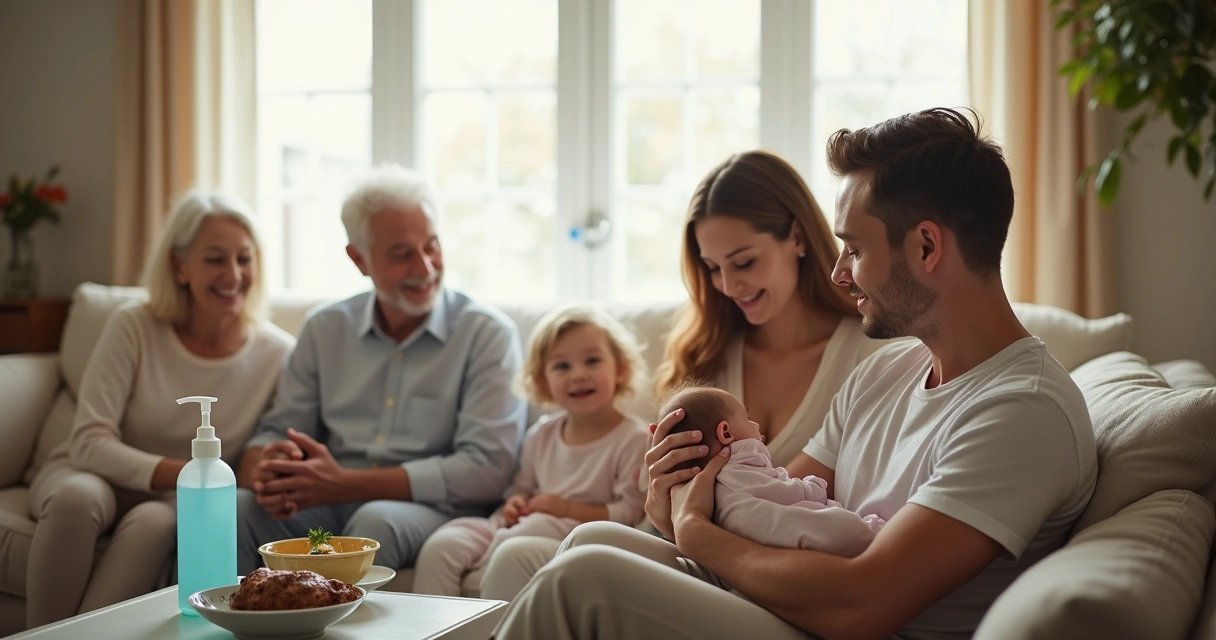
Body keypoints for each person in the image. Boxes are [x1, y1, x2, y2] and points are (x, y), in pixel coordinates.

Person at [491, 107, 1098, 640]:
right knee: (590, 543)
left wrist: (696, 535)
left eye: (855, 249)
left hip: (856, 627)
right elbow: (766, 501)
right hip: (795, 609)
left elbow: (864, 604)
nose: (839, 273)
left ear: (927, 248)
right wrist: (671, 501)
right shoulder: (886, 372)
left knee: (585, 578)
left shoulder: (1021, 410)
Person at [480, 150, 891, 601]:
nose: (728, 286)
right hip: (691, 554)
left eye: (744, 262)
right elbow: (661, 521)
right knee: (520, 555)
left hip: (781, 571)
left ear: (796, 237)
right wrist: (659, 503)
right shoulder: (707, 358)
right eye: (712, 268)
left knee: (578, 561)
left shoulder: (869, 354)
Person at [235, 165, 527, 576]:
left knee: (375, 523)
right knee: (237, 508)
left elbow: (487, 470)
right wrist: (269, 465)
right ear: (359, 259)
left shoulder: (487, 334)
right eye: (402, 253)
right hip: (326, 511)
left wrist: (344, 483)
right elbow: (279, 429)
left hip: (427, 511)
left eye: (432, 246)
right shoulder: (325, 328)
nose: (425, 268)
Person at [25, 191, 294, 627]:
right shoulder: (133, 325)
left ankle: (89, 636)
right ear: (179, 266)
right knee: (77, 498)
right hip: (90, 472)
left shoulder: (279, 353)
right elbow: (89, 443)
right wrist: (192, 472)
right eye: (214, 259)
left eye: (245, 258)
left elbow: (275, 439)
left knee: (154, 523)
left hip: (176, 499)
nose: (233, 274)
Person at [412, 305, 649, 596]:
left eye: (592, 361)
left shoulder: (633, 439)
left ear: (620, 369)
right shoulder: (542, 433)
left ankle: (489, 602)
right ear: (542, 381)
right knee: (442, 544)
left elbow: (631, 514)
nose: (578, 375)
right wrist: (515, 503)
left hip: (575, 536)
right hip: (518, 525)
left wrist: (566, 509)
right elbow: (521, 488)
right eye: (562, 366)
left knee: (525, 536)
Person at [661, 385, 884, 557]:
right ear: (726, 433)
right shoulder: (737, 468)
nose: (756, 425)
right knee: (839, 527)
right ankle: (869, 531)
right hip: (779, 534)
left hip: (752, 549)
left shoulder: (709, 484)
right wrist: (811, 489)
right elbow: (781, 490)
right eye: (747, 419)